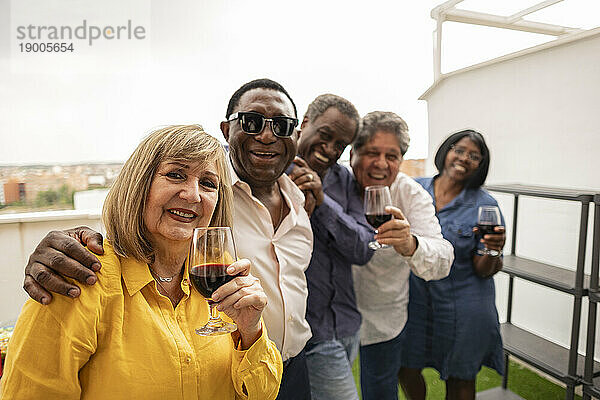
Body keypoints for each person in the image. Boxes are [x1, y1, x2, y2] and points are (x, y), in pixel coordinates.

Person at [22, 79, 314, 399]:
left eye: (208, 183)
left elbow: (261, 393)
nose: (192, 195)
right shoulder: (80, 282)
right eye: (175, 174)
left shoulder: (220, 282)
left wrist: (251, 331)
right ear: (140, 185)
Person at [350, 111, 454, 400]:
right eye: (372, 152)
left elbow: (443, 258)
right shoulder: (336, 184)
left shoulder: (410, 194)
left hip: (383, 315)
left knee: (380, 392)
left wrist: (410, 244)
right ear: (352, 153)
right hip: (332, 317)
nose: (381, 163)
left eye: (392, 155)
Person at [398, 129, 506, 400]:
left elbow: (484, 269)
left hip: (464, 304)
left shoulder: (485, 205)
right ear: (447, 150)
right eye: (459, 150)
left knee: (460, 378)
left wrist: (493, 251)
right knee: (405, 366)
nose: (464, 158)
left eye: (474, 156)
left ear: (480, 166)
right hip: (416, 299)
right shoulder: (413, 188)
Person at [287, 94, 371, 400]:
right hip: (308, 331)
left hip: (347, 324)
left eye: (341, 145)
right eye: (326, 136)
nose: (331, 149)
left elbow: (364, 249)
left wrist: (323, 203)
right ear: (305, 122)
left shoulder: (343, 180)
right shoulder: (272, 172)